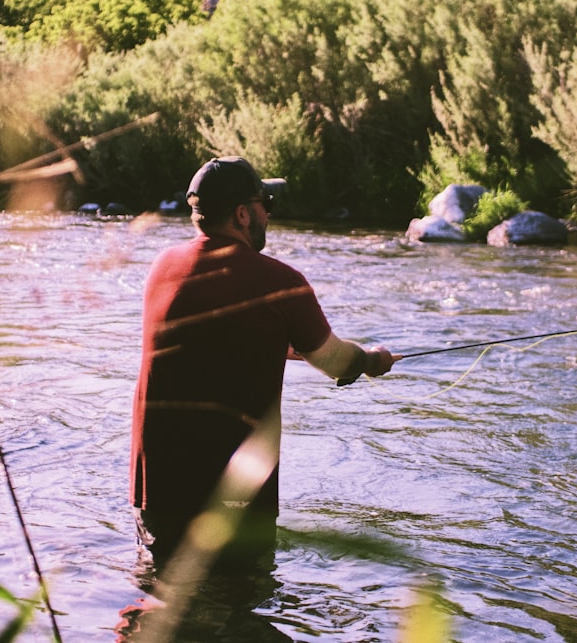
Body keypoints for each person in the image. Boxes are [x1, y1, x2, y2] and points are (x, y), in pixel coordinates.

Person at [129, 156, 397, 571]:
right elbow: (337, 362)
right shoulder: (279, 281)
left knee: (160, 605)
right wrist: (371, 359)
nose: (268, 213)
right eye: (264, 203)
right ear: (242, 213)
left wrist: (284, 346)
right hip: (235, 499)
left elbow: (212, 339)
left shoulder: (163, 267)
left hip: (158, 492)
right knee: (241, 611)